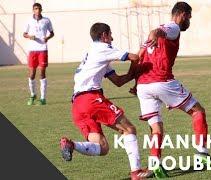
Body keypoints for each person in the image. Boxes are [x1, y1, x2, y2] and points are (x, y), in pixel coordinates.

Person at [131, 2, 211, 177]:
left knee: (156, 127)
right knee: (198, 111)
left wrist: (135, 82)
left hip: (143, 86)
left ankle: (155, 165)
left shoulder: (150, 40)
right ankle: (202, 154)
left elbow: (138, 58)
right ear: (183, 14)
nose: (189, 20)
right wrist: (155, 33)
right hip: (162, 81)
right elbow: (160, 31)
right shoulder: (173, 27)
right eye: (189, 16)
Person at [59, 23, 151, 180]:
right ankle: (136, 172)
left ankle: (70, 144)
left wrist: (134, 74)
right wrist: (141, 59)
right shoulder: (102, 48)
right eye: (110, 34)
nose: (112, 38)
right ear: (103, 36)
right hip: (91, 99)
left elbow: (119, 81)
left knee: (102, 148)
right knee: (129, 129)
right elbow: (134, 57)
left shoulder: (91, 53)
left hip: (77, 105)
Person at [23, 3, 54, 105]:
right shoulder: (29, 20)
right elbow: (24, 33)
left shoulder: (46, 20)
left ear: (41, 10)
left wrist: (47, 38)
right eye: (36, 9)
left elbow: (52, 33)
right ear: (33, 10)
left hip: (43, 49)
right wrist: (29, 36)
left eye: (39, 9)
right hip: (32, 50)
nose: (38, 10)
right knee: (32, 74)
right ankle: (32, 95)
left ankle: (43, 98)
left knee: (42, 73)